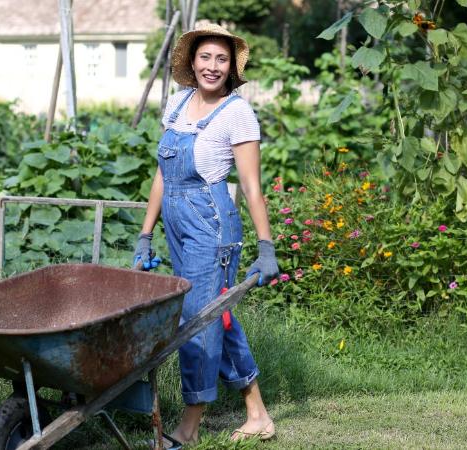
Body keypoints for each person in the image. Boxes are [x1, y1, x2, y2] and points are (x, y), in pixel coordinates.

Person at [133, 23, 279, 446]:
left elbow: (251, 186)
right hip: (177, 223)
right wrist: (146, 234)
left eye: (222, 59)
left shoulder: (237, 113)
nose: (213, 66)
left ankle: (190, 427)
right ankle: (257, 414)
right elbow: (162, 174)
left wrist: (266, 247)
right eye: (205, 57)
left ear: (232, 67)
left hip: (211, 226)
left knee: (198, 321)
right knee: (218, 313)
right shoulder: (177, 104)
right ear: (192, 62)